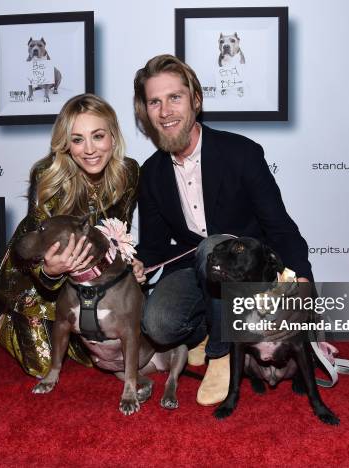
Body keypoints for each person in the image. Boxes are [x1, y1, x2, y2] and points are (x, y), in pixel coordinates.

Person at [131, 54, 313, 406]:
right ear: (146, 112)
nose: (165, 110)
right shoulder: (151, 173)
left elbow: (279, 226)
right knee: (158, 324)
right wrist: (138, 262)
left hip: (246, 275)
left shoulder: (241, 153)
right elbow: (153, 246)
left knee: (216, 245)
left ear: (195, 100)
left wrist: (302, 279)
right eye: (155, 101)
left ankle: (221, 353)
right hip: (195, 272)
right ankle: (209, 330)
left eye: (175, 98)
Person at [0, 93, 139, 378]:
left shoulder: (129, 172)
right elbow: (36, 245)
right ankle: (11, 320)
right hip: (39, 279)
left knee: (101, 351)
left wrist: (130, 262)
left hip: (95, 279)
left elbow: (120, 231)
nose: (89, 149)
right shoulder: (48, 175)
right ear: (66, 144)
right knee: (42, 365)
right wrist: (50, 272)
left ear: (113, 136)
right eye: (77, 139)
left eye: (98, 136)